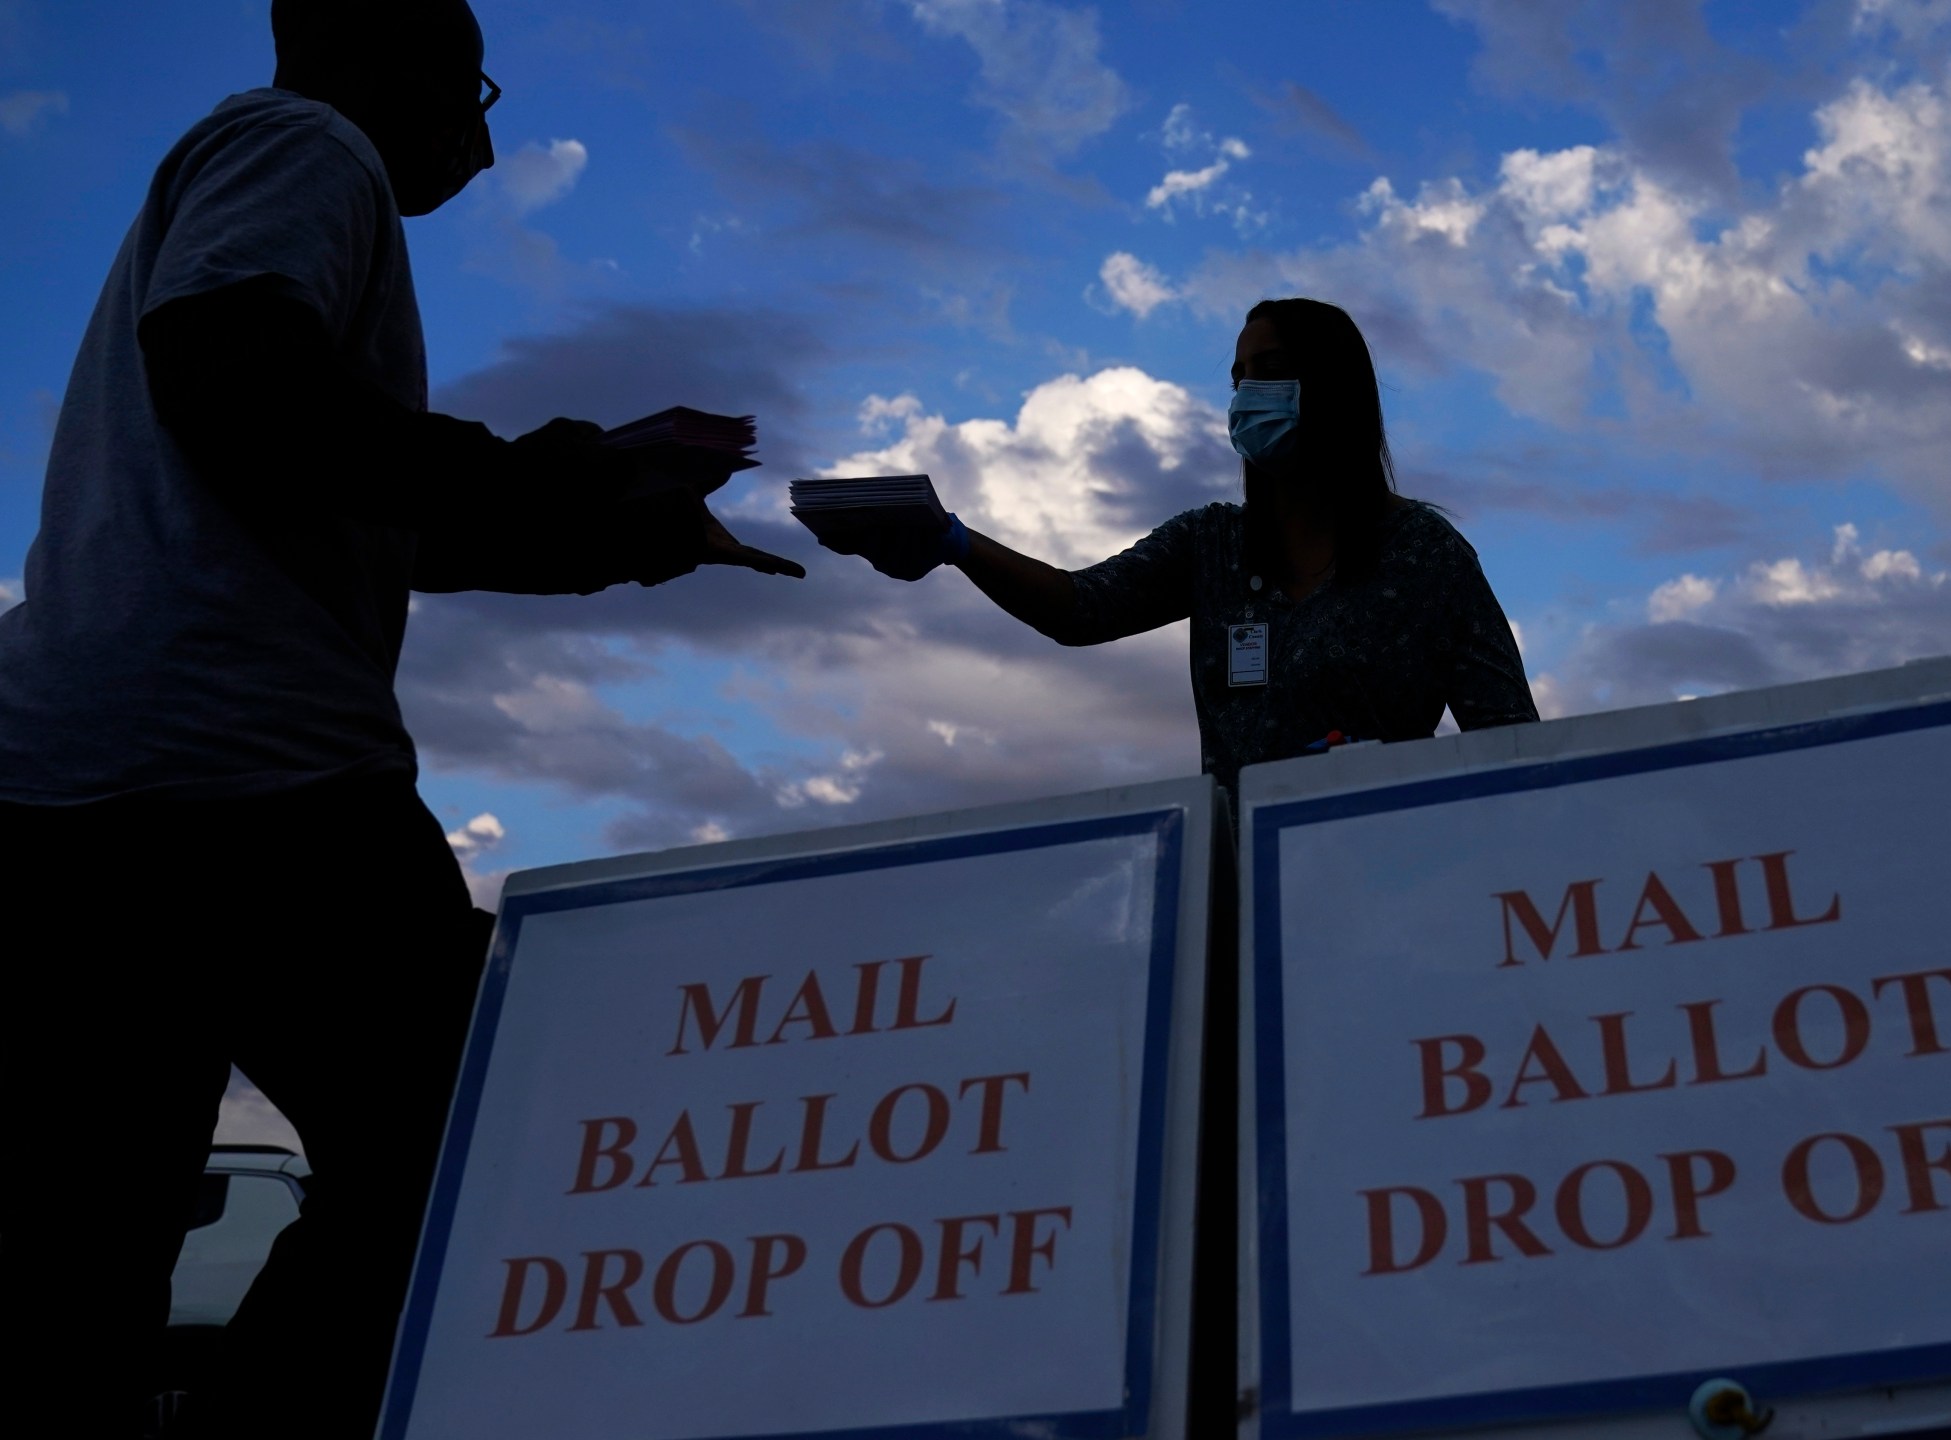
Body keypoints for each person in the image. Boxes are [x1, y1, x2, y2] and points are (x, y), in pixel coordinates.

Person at [0, 3, 801, 1434]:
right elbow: (238, 384)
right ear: (387, 55)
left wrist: (616, 531)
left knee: (81, 1242)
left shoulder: (267, 187)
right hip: (250, 780)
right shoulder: (300, 142)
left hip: (74, 790)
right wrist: (562, 477)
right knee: (470, 1151)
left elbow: (360, 504)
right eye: (474, 91)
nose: (487, 143)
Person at [849, 297, 1538, 785]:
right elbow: (1081, 607)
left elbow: (1510, 742)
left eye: (1267, 370)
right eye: (1237, 378)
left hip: (1384, 887)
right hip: (1232, 893)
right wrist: (955, 542)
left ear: (1332, 385)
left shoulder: (1424, 552)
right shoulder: (1211, 544)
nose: (1244, 394)